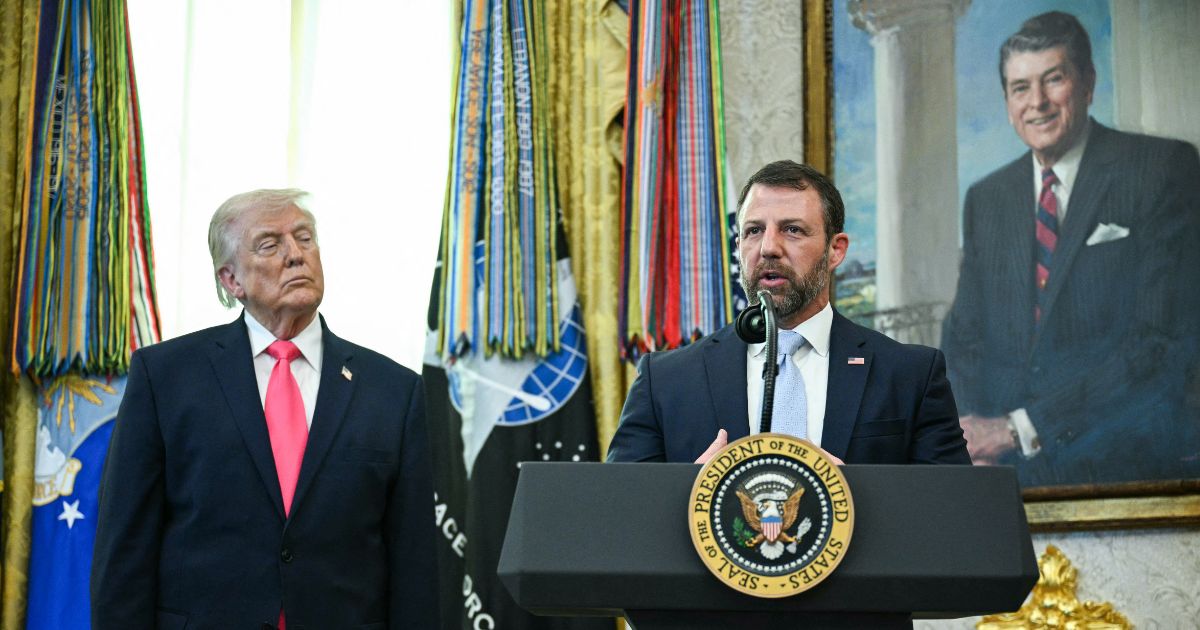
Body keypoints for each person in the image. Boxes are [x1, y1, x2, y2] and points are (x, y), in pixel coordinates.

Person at [91, 190, 438, 628]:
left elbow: (415, 566)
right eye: (270, 244)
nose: (295, 255)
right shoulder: (165, 378)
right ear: (231, 279)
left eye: (304, 238)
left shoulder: (393, 391)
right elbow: (124, 550)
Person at [941, 11, 1200, 486]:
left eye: (1053, 79)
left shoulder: (1161, 169)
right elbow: (964, 339)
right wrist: (965, 435)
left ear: (1088, 84)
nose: (1037, 102)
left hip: (1123, 462)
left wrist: (1020, 429)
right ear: (1007, 102)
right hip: (999, 471)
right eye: (1020, 88)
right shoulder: (987, 198)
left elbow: (1157, 343)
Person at [607, 160, 970, 465]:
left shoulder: (910, 376)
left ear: (835, 250)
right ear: (739, 247)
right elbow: (618, 513)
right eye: (754, 231)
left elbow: (953, 512)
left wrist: (858, 492)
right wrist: (689, 489)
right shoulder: (664, 382)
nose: (768, 247)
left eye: (792, 230)